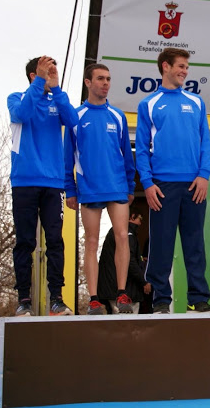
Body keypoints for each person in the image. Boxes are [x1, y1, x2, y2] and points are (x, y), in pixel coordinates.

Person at [135, 48, 210, 314]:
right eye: (180, 66)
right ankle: (161, 301)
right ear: (165, 67)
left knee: (195, 245)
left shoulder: (196, 102)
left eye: (186, 68)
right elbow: (142, 148)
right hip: (162, 185)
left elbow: (206, 142)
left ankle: (198, 298)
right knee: (161, 244)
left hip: (194, 184)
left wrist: (204, 175)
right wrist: (147, 183)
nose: (184, 71)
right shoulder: (148, 103)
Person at [7, 56, 78, 316]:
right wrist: (39, 82)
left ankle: (56, 298)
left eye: (53, 72)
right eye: (47, 72)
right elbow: (22, 114)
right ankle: (23, 299)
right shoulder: (16, 97)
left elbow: (72, 120)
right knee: (25, 241)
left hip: (53, 183)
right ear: (33, 75)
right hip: (24, 181)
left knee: (55, 241)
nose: (51, 76)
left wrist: (57, 88)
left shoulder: (56, 100)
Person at [65, 63, 135, 315]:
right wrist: (70, 190)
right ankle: (94, 299)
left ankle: (122, 294)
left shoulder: (117, 116)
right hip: (89, 188)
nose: (105, 83)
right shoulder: (76, 116)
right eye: (100, 79)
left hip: (116, 187)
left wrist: (130, 184)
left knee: (121, 237)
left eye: (108, 79)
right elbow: (68, 157)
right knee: (91, 242)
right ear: (88, 82)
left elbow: (127, 155)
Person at [98, 208, 151, 313]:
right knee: (127, 325)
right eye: (140, 219)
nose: (141, 223)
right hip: (125, 292)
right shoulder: (127, 234)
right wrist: (143, 282)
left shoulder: (114, 232)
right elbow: (130, 261)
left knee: (116, 324)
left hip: (112, 289)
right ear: (132, 216)